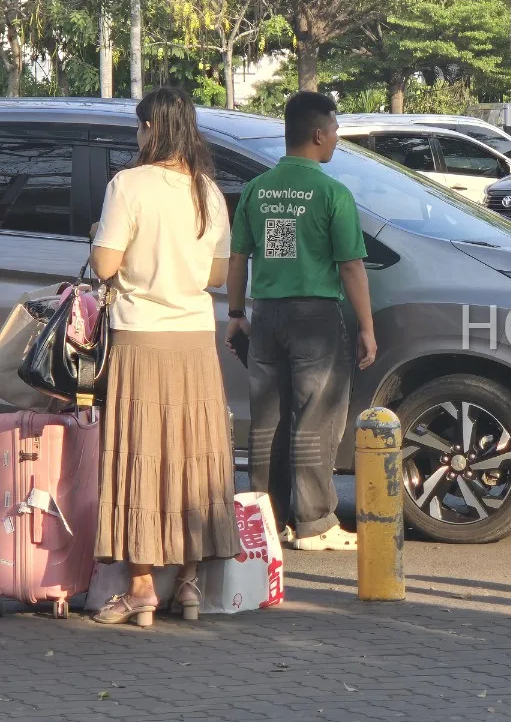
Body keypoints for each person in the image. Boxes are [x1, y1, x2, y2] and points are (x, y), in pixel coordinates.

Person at [90, 86, 239, 626]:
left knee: (141, 455)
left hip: (141, 337)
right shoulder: (209, 192)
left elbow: (105, 266)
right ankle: (190, 584)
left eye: (140, 126)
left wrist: (98, 237)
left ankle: (141, 590)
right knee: (192, 456)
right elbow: (216, 274)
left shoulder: (128, 185)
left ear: (151, 128)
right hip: (195, 338)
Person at [226, 92, 378, 552]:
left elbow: (239, 258)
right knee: (315, 418)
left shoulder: (258, 190)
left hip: (266, 315)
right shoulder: (332, 193)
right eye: (334, 131)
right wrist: (367, 327)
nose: (336, 139)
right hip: (315, 319)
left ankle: (264, 521)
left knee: (266, 422)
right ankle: (314, 523)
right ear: (317, 134)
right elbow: (351, 266)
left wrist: (236, 314)